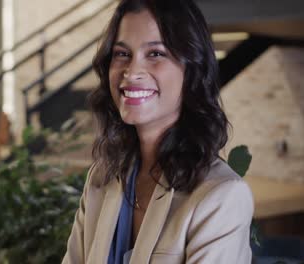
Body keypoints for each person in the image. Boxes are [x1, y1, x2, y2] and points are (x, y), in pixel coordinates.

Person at [63, 0, 254, 263]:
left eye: (155, 54)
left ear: (191, 70)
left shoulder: (222, 196)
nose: (132, 72)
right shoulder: (102, 177)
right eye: (122, 54)